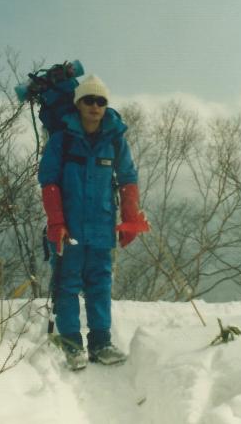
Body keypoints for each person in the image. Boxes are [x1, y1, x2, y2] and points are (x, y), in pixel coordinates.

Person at [38, 74, 149, 370]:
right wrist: (56, 222)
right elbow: (48, 182)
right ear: (78, 104)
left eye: (101, 101)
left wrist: (130, 220)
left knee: (100, 284)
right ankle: (72, 345)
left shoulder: (114, 140)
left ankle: (101, 343)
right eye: (89, 100)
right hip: (68, 227)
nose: (95, 106)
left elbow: (128, 179)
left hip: (101, 227)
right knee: (68, 285)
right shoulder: (62, 140)